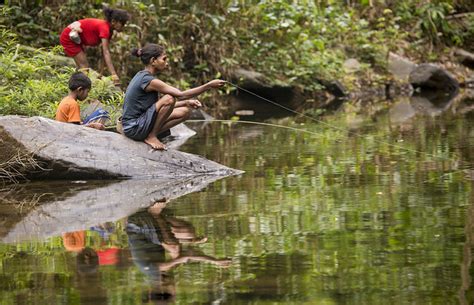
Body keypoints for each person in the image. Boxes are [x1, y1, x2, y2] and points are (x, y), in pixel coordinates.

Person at [121, 43, 226, 150]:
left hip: (139, 123)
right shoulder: (147, 80)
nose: (167, 63)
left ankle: (152, 134)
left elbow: (155, 108)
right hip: (133, 128)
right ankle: (151, 136)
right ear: (153, 61)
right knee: (169, 98)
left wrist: (186, 103)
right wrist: (208, 85)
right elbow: (180, 95)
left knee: (184, 112)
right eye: (164, 59)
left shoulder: (143, 76)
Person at [59, 7, 130, 86]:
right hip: (69, 38)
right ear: (113, 21)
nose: (123, 26)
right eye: (122, 24)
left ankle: (75, 86)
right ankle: (81, 90)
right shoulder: (105, 28)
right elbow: (106, 52)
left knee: (81, 67)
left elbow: (104, 52)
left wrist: (101, 73)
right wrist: (114, 75)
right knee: (84, 67)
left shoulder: (109, 31)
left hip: (77, 41)